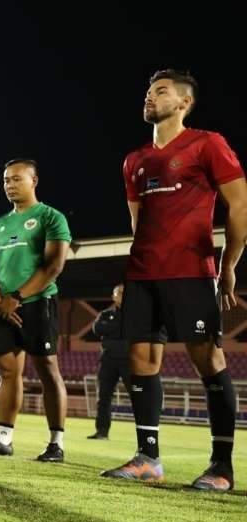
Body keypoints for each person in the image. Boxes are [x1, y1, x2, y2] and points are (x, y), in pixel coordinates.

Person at [102, 69, 247, 491]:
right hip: (144, 274)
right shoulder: (134, 160)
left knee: (209, 361)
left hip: (191, 271)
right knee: (141, 361)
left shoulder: (208, 143)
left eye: (160, 91)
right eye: (147, 91)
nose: (150, 97)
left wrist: (228, 264)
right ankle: (148, 459)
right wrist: (134, 273)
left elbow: (239, 206)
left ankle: (221, 467)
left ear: (184, 102)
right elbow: (138, 224)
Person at [0, 159, 71, 462]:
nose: (10, 185)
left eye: (16, 179)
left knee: (47, 370)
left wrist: (17, 297)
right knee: (8, 372)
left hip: (38, 304)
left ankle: (56, 443)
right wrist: (0, 301)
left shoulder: (51, 217)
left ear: (34, 180)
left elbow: (53, 266)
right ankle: (3, 439)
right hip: (2, 308)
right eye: (5, 180)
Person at [87, 284, 130, 440]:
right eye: (118, 293)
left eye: (124, 293)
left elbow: (133, 330)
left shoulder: (135, 315)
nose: (121, 295)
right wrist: (119, 328)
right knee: (103, 398)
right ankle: (102, 432)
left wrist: (110, 329)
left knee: (138, 397)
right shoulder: (105, 314)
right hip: (108, 360)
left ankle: (145, 433)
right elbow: (97, 328)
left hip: (129, 361)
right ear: (113, 296)